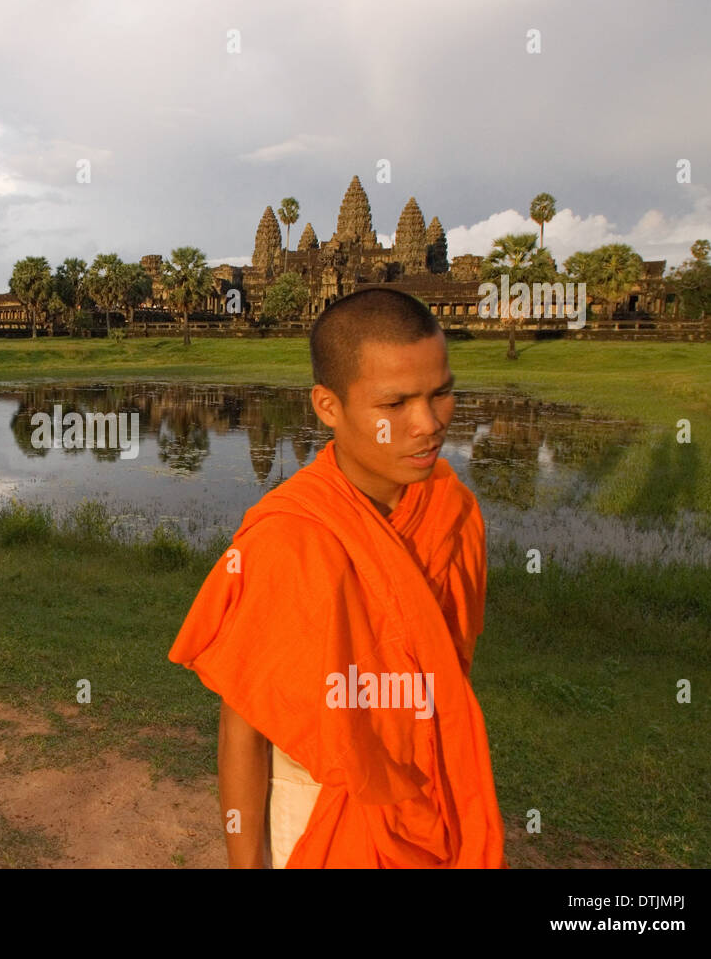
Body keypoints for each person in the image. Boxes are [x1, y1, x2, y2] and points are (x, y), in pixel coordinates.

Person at [169, 288, 506, 868]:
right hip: (320, 803)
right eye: (394, 404)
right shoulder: (287, 538)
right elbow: (243, 729)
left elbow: (449, 676)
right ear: (328, 407)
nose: (427, 425)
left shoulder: (454, 514)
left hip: (435, 790)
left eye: (441, 393)